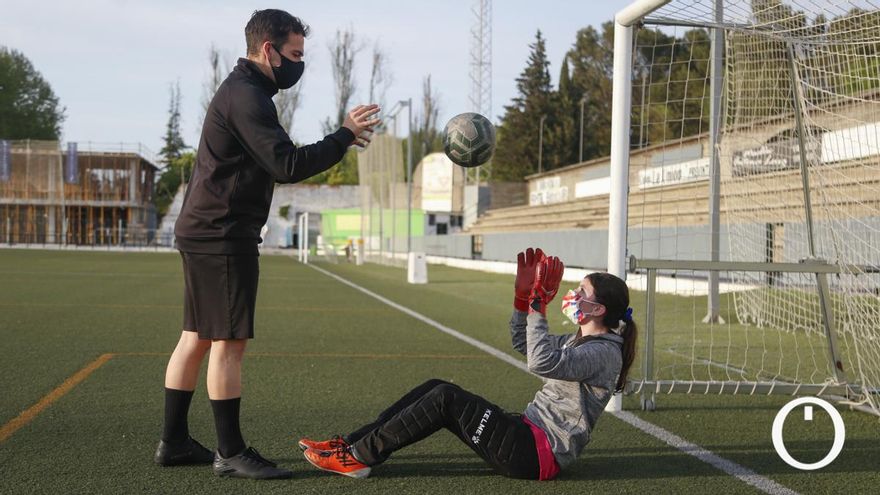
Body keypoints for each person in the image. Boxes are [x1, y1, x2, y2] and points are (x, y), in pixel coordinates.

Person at [153, 9, 380, 479]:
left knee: (194, 337)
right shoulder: (247, 95)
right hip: (222, 233)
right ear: (268, 50)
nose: (299, 64)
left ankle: (173, 442)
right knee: (228, 344)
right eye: (295, 54)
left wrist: (340, 139)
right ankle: (230, 452)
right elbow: (287, 165)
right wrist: (343, 136)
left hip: (205, 229)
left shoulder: (244, 91)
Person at [298, 248, 638, 480]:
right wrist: (522, 301)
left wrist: (539, 305)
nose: (573, 295)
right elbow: (524, 342)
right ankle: (351, 445)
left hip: (537, 455)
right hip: (526, 435)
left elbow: (541, 363)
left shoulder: (604, 353)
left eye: (582, 292)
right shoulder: (581, 340)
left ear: (599, 310)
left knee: (445, 397)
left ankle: (359, 458)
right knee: (435, 386)